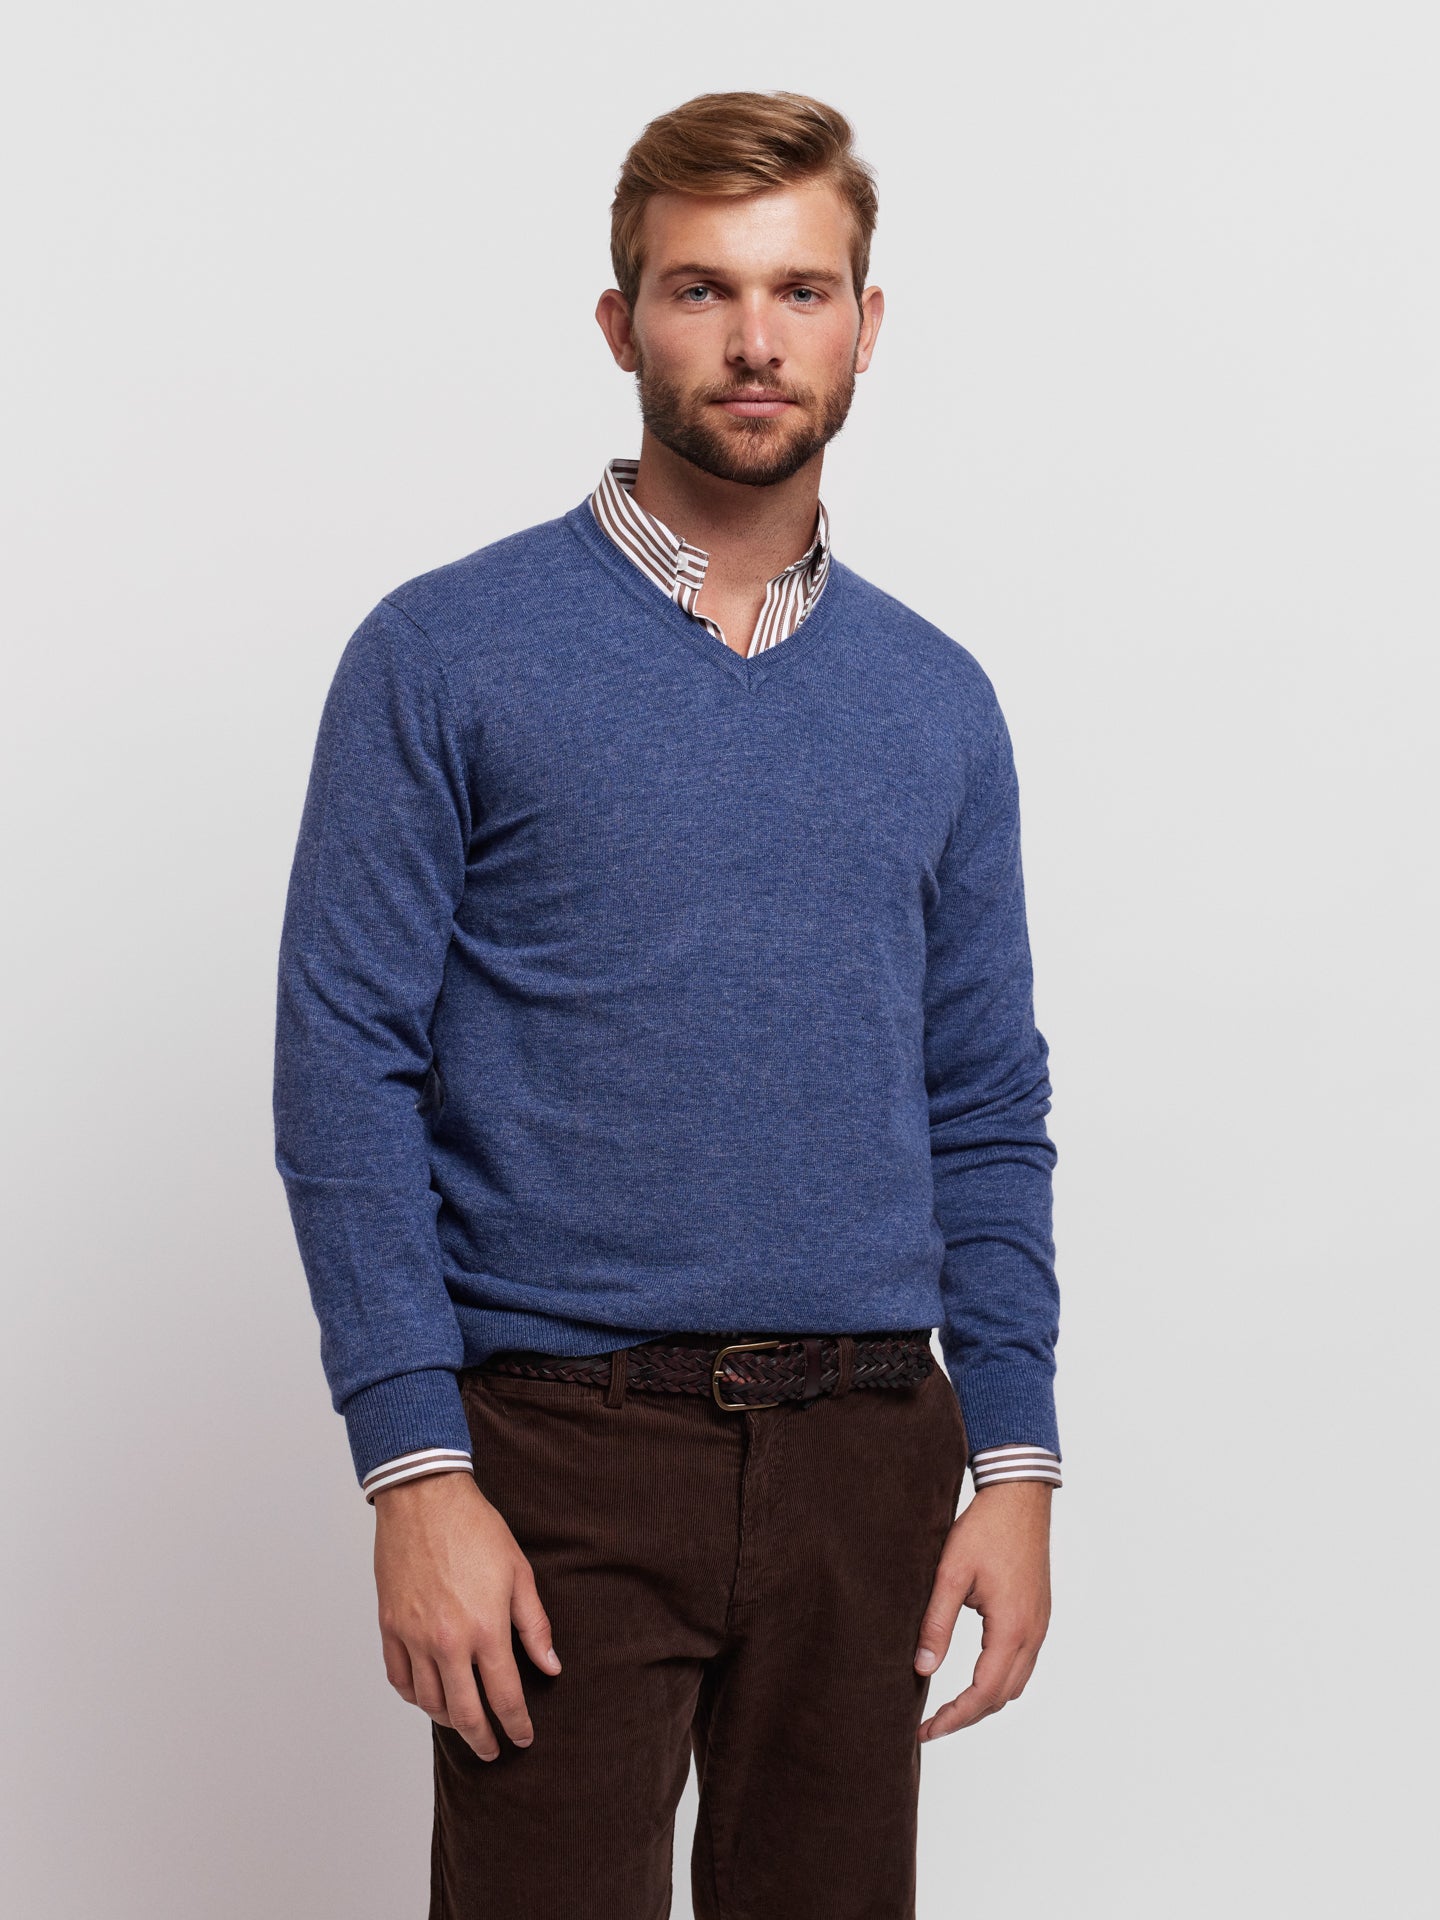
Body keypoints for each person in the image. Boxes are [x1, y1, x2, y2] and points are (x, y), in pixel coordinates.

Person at [273, 88, 1063, 1920]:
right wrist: (415, 1474)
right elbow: (344, 1065)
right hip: (560, 1450)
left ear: (867, 325)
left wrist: (1015, 1463)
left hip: (870, 1448)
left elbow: (982, 1100)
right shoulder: (441, 654)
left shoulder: (937, 700)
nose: (756, 338)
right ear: (621, 322)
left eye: (802, 290)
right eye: (703, 289)